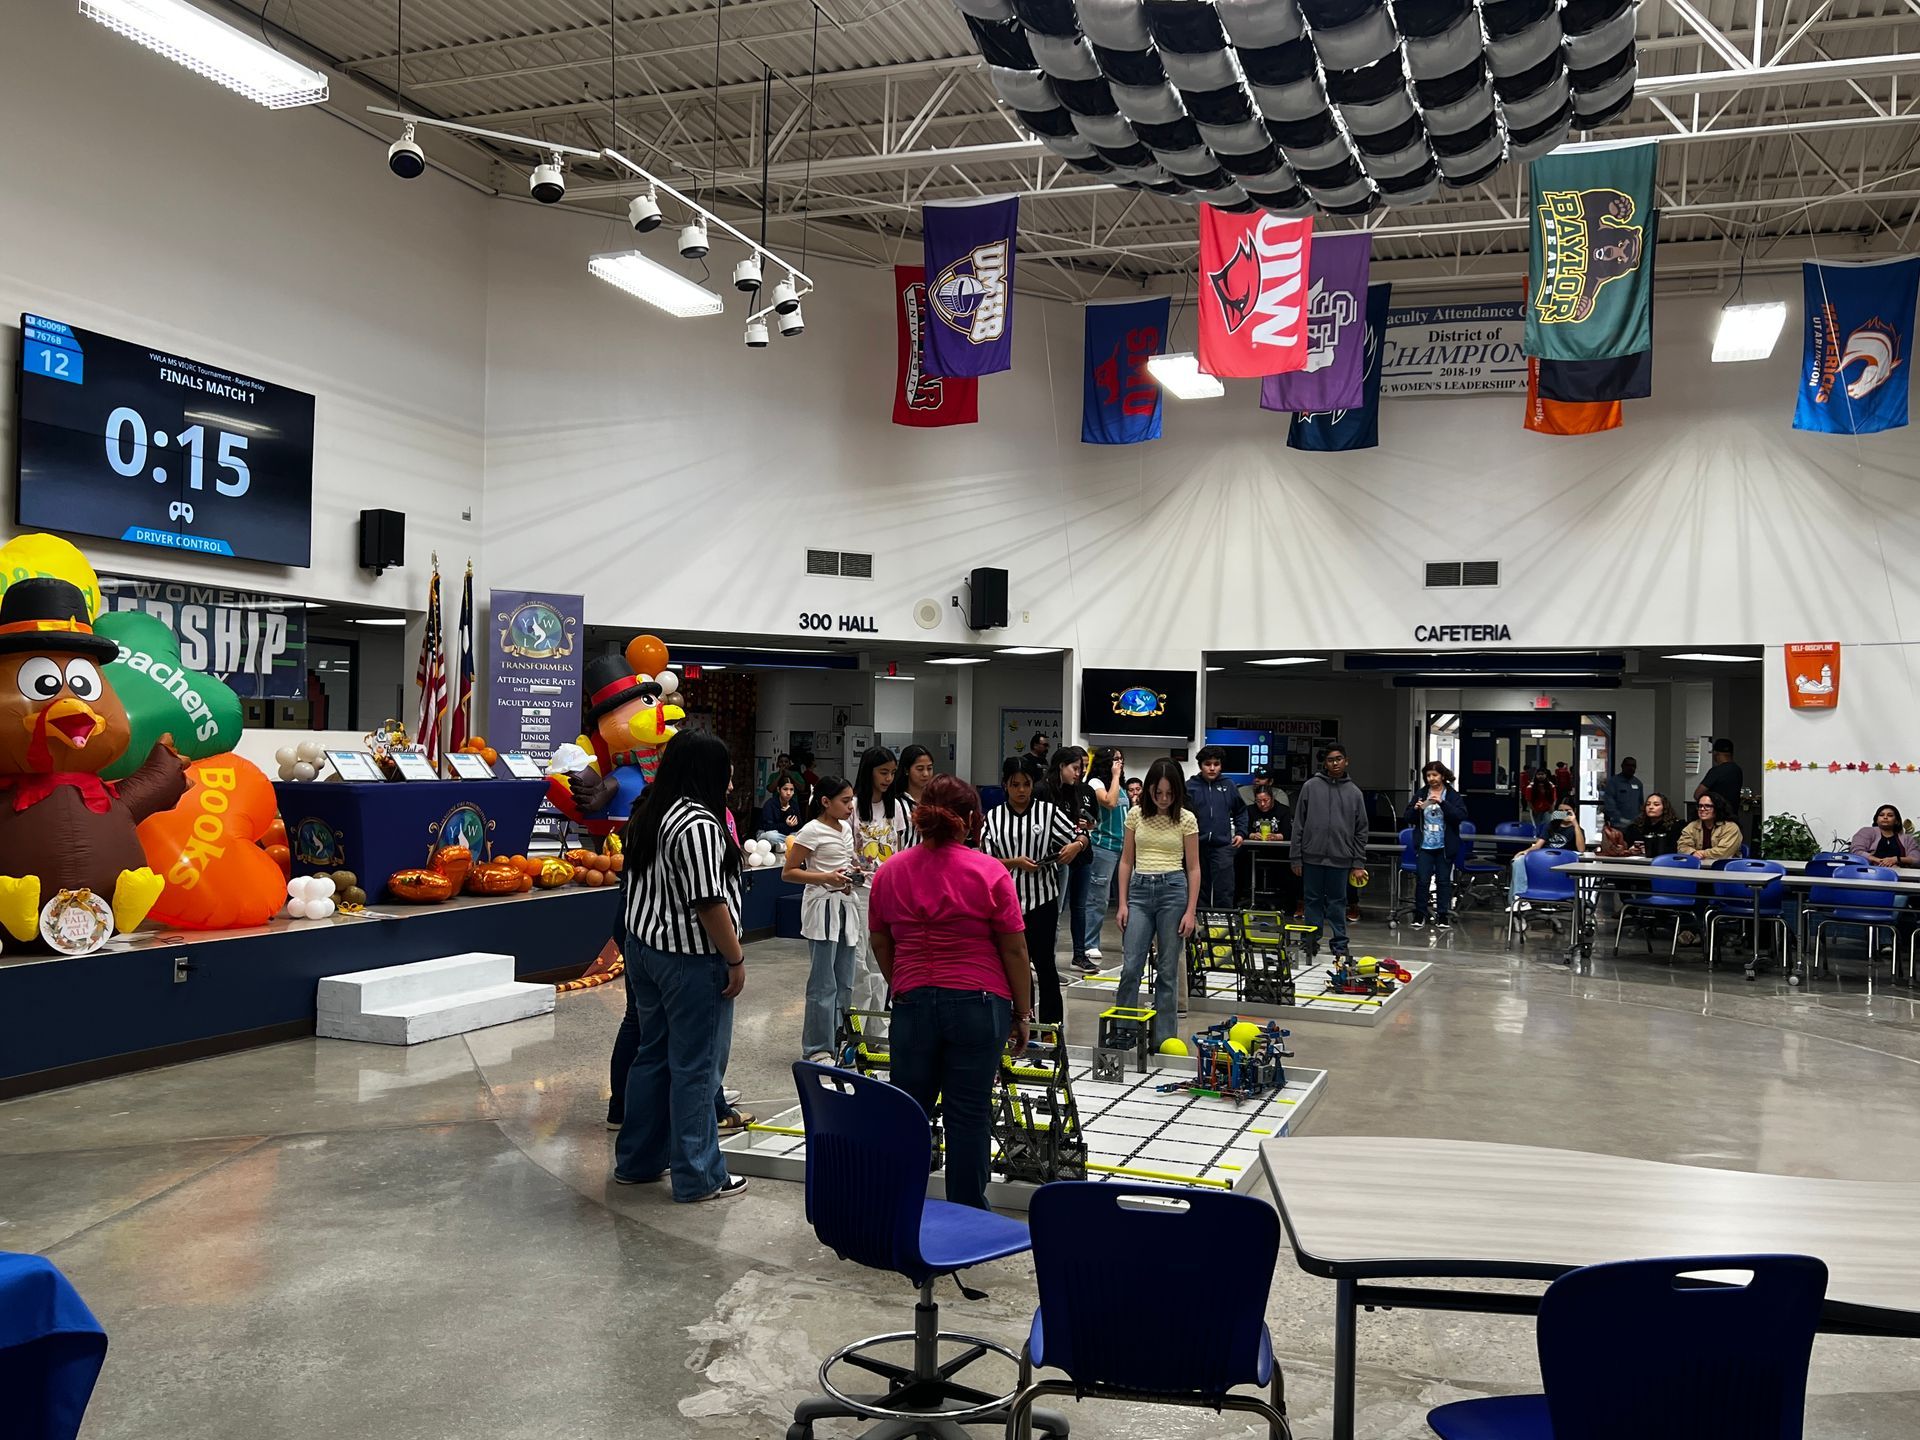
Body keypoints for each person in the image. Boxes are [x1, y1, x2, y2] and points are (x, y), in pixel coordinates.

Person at [868, 775, 1031, 1211]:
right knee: (968, 1116)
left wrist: (901, 982)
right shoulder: (989, 871)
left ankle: (900, 1210)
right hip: (979, 1004)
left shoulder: (890, 872)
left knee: (910, 1113)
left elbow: (881, 941)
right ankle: (967, 1218)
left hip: (913, 1003)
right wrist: (1023, 1012)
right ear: (973, 820)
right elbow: (1014, 949)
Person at [611, 731, 749, 1202]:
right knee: (696, 1066)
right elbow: (708, 902)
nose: (731, 778)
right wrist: (735, 958)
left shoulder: (652, 813)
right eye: (726, 768)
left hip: (645, 949)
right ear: (707, 771)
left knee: (653, 1055)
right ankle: (699, 1175)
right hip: (690, 959)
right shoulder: (698, 825)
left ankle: (638, 1161)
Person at [980, 765, 1086, 1021]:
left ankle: (1052, 1026)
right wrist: (1015, 862)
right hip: (1007, 901)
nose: (1021, 790)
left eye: (1026, 784)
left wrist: (1077, 846)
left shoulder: (1047, 812)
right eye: (1015, 784)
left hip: (1043, 899)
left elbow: (1080, 835)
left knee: (1045, 964)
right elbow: (984, 860)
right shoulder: (994, 817)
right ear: (1005, 785)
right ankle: (1021, 1022)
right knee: (1015, 966)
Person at [1115, 758, 1200, 1047]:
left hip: (1173, 891)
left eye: (1169, 793)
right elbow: (1126, 860)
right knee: (1130, 967)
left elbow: (1194, 868)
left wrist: (1191, 911)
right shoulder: (1135, 815)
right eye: (1157, 793)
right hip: (1139, 892)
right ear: (1148, 788)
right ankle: (1122, 1032)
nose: (1163, 799)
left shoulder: (1186, 818)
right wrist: (1122, 903)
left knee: (1167, 970)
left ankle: (1165, 1039)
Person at [783, 775, 864, 1064]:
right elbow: (789, 872)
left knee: (846, 979)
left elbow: (843, 861)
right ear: (825, 802)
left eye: (851, 800)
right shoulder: (811, 831)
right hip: (822, 909)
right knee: (822, 982)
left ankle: (842, 1043)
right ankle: (817, 1047)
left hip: (845, 905)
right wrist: (825, 877)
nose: (850, 806)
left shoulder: (844, 829)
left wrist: (852, 871)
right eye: (844, 801)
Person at [849, 746, 911, 1040]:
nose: (888, 778)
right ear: (869, 771)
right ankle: (858, 1030)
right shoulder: (854, 806)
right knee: (860, 962)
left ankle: (880, 1029)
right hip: (860, 892)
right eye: (883, 772)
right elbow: (849, 849)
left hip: (888, 892)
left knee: (884, 961)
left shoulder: (896, 807)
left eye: (892, 773)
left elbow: (898, 849)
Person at [1291, 743, 1368, 958]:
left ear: (1346, 761)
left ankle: (1340, 943)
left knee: (1338, 903)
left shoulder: (1355, 793)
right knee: (1312, 901)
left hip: (1341, 859)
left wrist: (1358, 862)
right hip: (1312, 857)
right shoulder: (1310, 787)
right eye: (1330, 760)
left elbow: (1361, 830)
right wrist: (1296, 857)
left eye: (1339, 759)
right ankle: (1310, 941)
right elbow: (1298, 824)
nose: (1335, 763)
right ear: (1325, 763)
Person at [1043, 746, 1098, 973]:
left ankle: (1079, 955)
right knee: (1054, 912)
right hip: (1057, 859)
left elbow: (1089, 821)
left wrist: (1084, 833)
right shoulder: (1045, 790)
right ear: (1061, 766)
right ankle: (1046, 961)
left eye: (1082, 768)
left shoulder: (1078, 790)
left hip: (1080, 855)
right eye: (1076, 767)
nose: (1079, 773)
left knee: (1079, 907)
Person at [1404, 761, 1468, 930]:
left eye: (1435, 775)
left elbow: (1460, 816)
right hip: (1425, 845)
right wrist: (1416, 809)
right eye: (1428, 775)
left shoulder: (1452, 795)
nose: (1431, 778)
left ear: (1443, 776)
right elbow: (1408, 817)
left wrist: (1442, 803)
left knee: (1443, 881)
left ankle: (1442, 915)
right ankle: (1420, 914)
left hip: (1444, 846)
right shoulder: (1421, 793)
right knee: (1423, 880)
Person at [1187, 745, 1249, 909]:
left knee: (1225, 888)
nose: (1212, 768)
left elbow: (1241, 811)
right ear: (1201, 765)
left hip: (1222, 846)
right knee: (1199, 888)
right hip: (1196, 846)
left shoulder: (1229, 785)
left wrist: (1241, 833)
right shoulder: (1190, 787)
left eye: (1216, 764)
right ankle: (1199, 927)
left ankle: (1223, 930)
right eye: (1208, 764)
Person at [1082, 746, 1128, 968]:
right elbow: (1109, 802)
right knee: (1098, 898)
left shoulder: (1122, 787)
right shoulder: (1096, 784)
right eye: (1115, 759)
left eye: (1121, 759)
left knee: (1127, 899)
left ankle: (1131, 940)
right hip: (1104, 847)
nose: (1119, 763)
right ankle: (1090, 942)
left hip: (1124, 848)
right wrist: (1116, 776)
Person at [1511, 792, 1585, 906]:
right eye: (1561, 811)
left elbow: (1581, 849)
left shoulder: (1577, 830)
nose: (1564, 814)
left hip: (1561, 864)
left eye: (1568, 811)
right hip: (1543, 860)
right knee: (1518, 862)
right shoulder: (1551, 826)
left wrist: (1575, 824)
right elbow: (1538, 845)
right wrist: (1525, 852)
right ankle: (1519, 899)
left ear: (1574, 812)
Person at [1246, 783, 1300, 913]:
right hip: (1255, 850)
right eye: (1259, 801)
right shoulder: (1250, 810)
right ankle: (1248, 899)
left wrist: (1277, 836)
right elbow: (1243, 829)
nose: (1262, 804)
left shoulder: (1283, 810)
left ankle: (1290, 903)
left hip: (1278, 851)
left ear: (1272, 798)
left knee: (1290, 870)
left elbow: (1288, 833)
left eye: (1266, 800)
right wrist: (1252, 834)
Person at [1677, 794, 1742, 863]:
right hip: (1696, 866)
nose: (1702, 809)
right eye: (1700, 806)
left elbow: (1723, 852)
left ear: (1717, 808)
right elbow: (1682, 846)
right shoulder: (1692, 826)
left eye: (1707, 806)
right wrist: (1692, 853)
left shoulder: (1730, 827)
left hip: (1725, 867)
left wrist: (1702, 854)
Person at [1849, 804, 1920, 868]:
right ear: (1876, 819)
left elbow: (1917, 859)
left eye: (1890, 815)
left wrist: (1896, 859)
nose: (1885, 817)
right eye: (1881, 815)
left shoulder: (1907, 839)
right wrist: (1881, 861)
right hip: (1869, 872)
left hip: (1901, 874)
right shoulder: (1866, 832)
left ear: (1896, 821)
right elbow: (1856, 851)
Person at [1620, 793, 1682, 857]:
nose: (1651, 807)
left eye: (1656, 805)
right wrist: (1630, 850)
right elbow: (1625, 846)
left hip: (1664, 862)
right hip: (1637, 861)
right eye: (1648, 804)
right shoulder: (1635, 827)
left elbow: (1675, 849)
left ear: (1664, 808)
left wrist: (1651, 849)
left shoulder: (1674, 827)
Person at [1695, 739, 1744, 817]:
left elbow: (1698, 794)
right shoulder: (1737, 770)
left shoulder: (1716, 771)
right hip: (1732, 817)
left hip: (1716, 817)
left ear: (1715, 753)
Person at [1602, 757, 1645, 831]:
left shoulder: (1638, 783)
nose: (1631, 768)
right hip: (1618, 825)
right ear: (1622, 766)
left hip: (1634, 825)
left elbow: (1641, 804)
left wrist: (1640, 819)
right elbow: (1609, 804)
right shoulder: (1613, 782)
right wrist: (1620, 819)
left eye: (1633, 766)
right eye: (1628, 765)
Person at [889, 743, 936, 810]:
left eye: (929, 768)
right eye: (920, 769)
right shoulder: (895, 801)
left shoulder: (937, 799)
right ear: (906, 770)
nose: (926, 774)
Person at [758, 776, 803, 841]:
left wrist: (790, 813)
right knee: (772, 836)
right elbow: (767, 827)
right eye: (785, 789)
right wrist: (786, 825)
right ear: (778, 790)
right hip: (768, 832)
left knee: (800, 836)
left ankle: (781, 846)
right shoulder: (770, 804)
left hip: (786, 834)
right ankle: (786, 844)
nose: (788, 793)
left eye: (791, 789)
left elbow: (799, 827)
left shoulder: (793, 804)